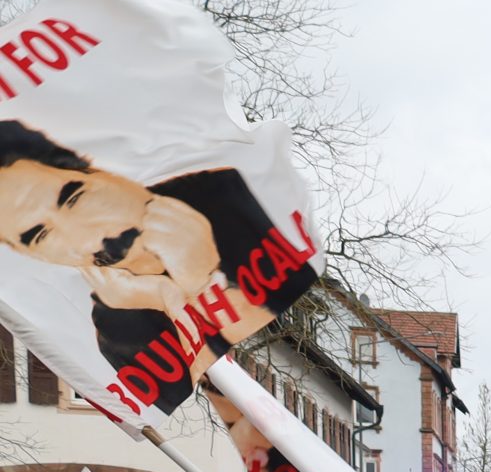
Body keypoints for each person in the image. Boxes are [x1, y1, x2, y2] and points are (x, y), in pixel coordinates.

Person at [0, 120, 314, 413]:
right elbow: (172, 396)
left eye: (73, 198)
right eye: (40, 235)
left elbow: (295, 278)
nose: (84, 235)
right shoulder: (115, 328)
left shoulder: (233, 194)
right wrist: (173, 295)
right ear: (31, 254)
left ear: (100, 170)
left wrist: (203, 277)